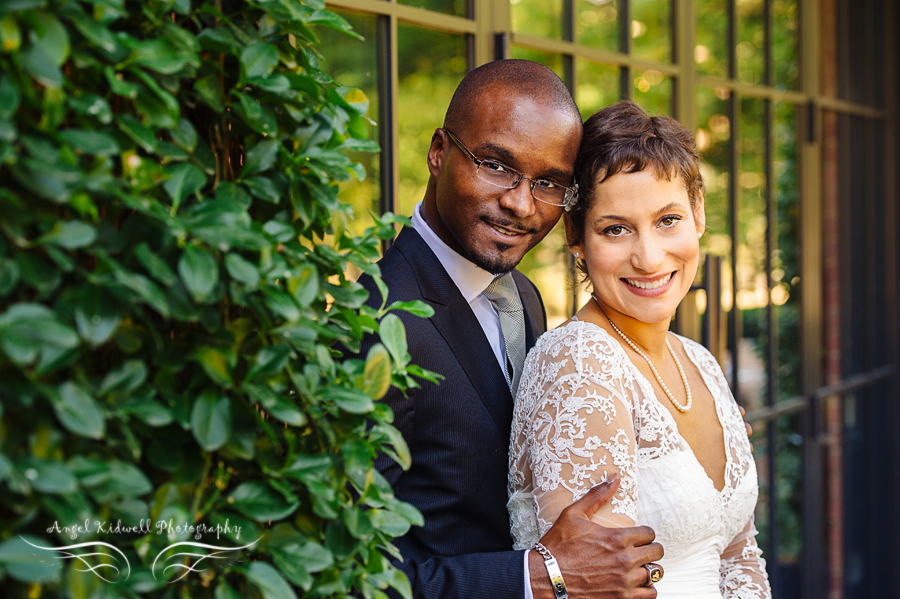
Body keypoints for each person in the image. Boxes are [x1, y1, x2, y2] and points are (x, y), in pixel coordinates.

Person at [357, 61, 665, 599]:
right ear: (438, 152)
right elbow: (345, 576)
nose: (521, 204)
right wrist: (535, 577)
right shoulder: (375, 324)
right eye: (496, 165)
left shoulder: (523, 298)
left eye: (548, 182)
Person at [508, 100, 772, 599]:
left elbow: (739, 552)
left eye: (667, 219)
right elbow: (605, 587)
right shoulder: (580, 362)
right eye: (616, 228)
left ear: (698, 215)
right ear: (576, 237)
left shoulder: (699, 362)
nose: (649, 257)